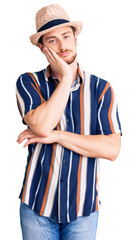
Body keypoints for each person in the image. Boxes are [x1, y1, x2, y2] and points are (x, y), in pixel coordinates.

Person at [16, 4, 122, 240]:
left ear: (76, 38)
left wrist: (58, 136)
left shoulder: (101, 89)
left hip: (83, 212)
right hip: (37, 208)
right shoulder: (28, 83)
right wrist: (65, 78)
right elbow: (42, 126)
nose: (63, 45)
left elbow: (112, 149)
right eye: (52, 40)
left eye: (66, 36)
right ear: (42, 48)